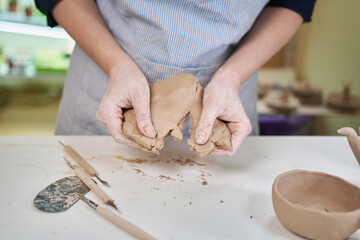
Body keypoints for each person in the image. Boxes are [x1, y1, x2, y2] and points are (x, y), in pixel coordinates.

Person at [35, 0, 315, 156]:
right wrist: (116, 65)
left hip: (227, 90)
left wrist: (232, 76)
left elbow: (293, 2)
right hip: (107, 75)